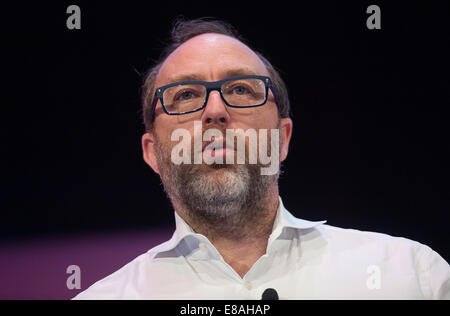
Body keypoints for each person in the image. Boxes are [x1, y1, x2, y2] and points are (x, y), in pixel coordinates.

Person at [74, 18, 450, 299]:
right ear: (152, 153)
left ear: (282, 138)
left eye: (240, 89)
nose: (215, 111)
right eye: (186, 95)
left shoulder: (412, 276)